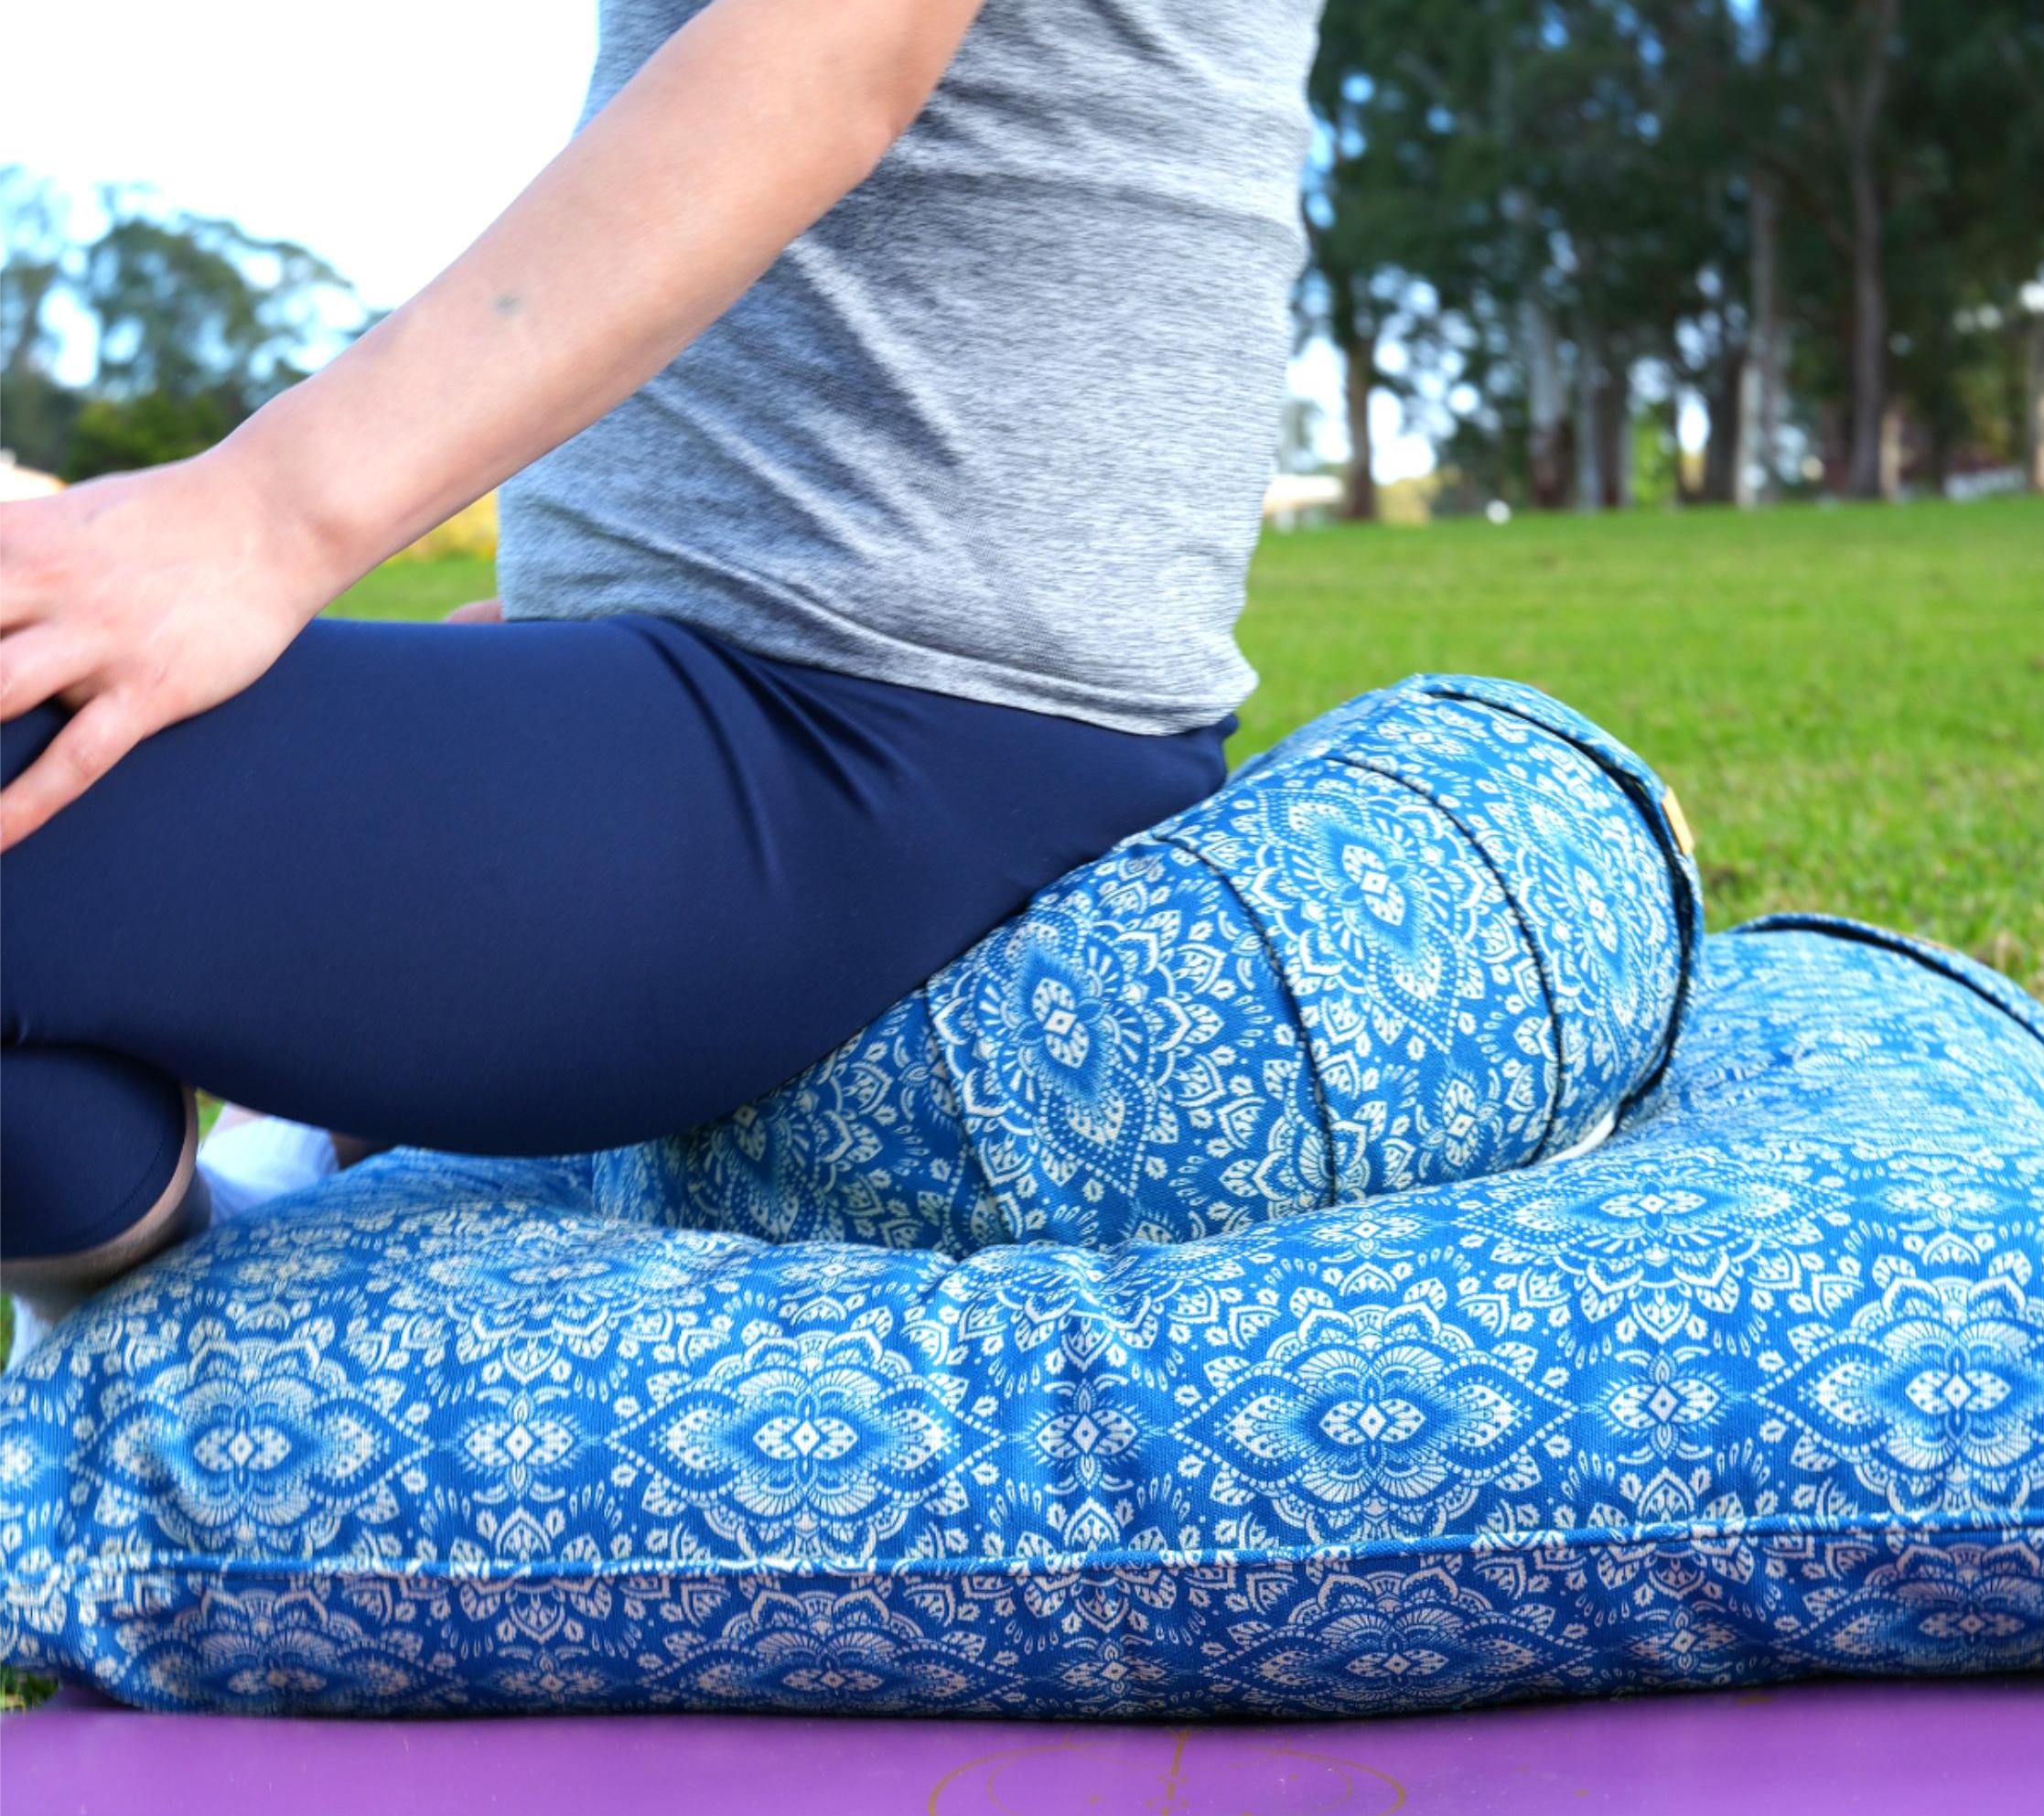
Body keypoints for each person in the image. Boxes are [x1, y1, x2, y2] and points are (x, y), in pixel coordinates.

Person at [0, 0, 1322, 1328]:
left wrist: (257, 520)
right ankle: (196, 1286)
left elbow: (830, 58)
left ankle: (214, 1282)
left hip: (895, 740)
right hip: (706, 703)